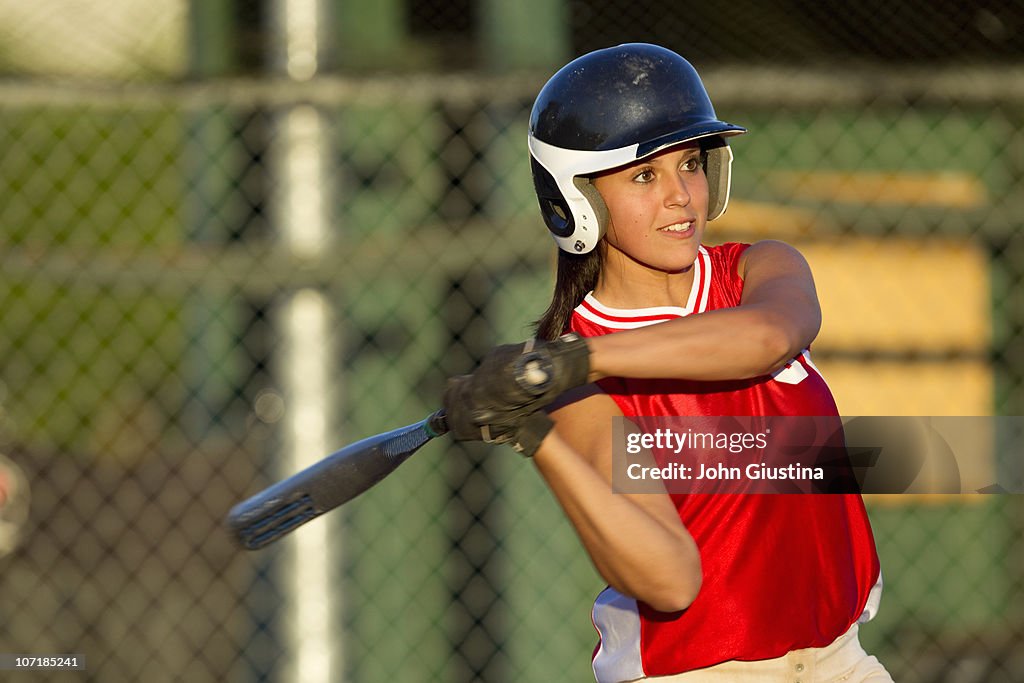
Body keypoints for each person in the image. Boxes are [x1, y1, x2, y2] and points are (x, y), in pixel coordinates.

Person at [443, 43, 891, 682]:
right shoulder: (579, 386)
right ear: (577, 200)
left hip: (837, 662)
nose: (681, 195)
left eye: (690, 164)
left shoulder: (759, 270)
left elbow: (768, 336)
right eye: (645, 176)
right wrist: (535, 435)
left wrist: (574, 362)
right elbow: (671, 581)